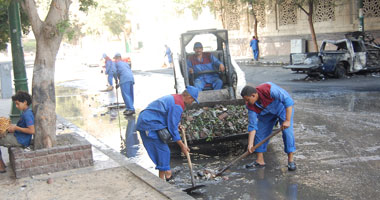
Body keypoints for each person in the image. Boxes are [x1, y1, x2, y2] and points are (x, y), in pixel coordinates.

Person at [136, 86, 199, 181]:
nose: (192, 102)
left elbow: (170, 118)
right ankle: (164, 178)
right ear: (189, 97)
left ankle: (165, 176)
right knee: (163, 151)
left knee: (162, 152)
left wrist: (177, 125)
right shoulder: (177, 105)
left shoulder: (176, 98)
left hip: (152, 121)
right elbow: (172, 128)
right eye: (193, 100)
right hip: (149, 123)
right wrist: (182, 145)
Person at [240, 83, 296, 171]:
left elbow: (288, 101)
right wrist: (250, 145)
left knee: (287, 132)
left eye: (247, 100)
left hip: (282, 108)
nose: (246, 103)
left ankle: (290, 160)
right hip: (266, 113)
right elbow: (252, 126)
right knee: (260, 133)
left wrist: (287, 120)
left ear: (253, 95)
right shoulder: (250, 106)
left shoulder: (268, 89)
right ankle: (260, 160)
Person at [0, 91, 35, 173]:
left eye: (17, 104)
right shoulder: (26, 112)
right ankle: (1, 164)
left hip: (21, 140)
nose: (16, 106)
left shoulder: (27, 115)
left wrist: (16, 128)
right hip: (20, 137)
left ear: (25, 102)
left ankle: (1, 166)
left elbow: (32, 130)